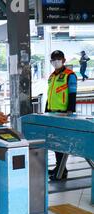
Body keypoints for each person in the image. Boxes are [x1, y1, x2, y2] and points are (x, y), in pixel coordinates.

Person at [46, 50, 77, 180]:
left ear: (63, 60)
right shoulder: (52, 76)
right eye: (54, 59)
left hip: (63, 114)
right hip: (52, 113)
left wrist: (70, 111)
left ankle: (61, 170)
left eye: (58, 59)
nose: (56, 61)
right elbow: (50, 95)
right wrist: (46, 109)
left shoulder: (70, 75)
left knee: (61, 143)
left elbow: (72, 94)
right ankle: (60, 167)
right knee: (54, 143)